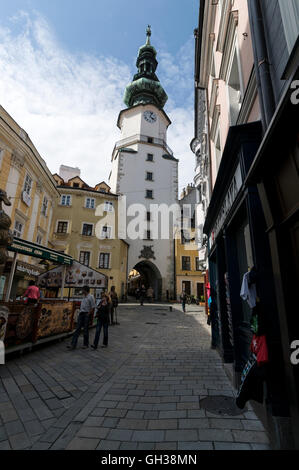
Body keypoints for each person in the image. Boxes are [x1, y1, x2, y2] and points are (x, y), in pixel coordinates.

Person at [67, 285, 95, 350]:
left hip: (86, 314)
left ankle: (85, 344)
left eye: (83, 290)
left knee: (85, 330)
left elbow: (93, 307)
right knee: (77, 329)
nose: (82, 291)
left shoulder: (91, 297)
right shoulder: (84, 297)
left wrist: (88, 314)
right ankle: (73, 344)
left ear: (85, 290)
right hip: (81, 314)